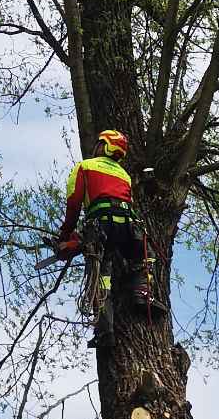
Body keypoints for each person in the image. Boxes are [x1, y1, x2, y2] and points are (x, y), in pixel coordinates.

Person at [55, 128, 162, 315]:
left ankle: (105, 331)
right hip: (128, 226)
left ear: (104, 146)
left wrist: (65, 235)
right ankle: (142, 293)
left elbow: (73, 203)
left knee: (100, 272)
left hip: (101, 226)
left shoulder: (85, 166)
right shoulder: (125, 176)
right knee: (146, 256)